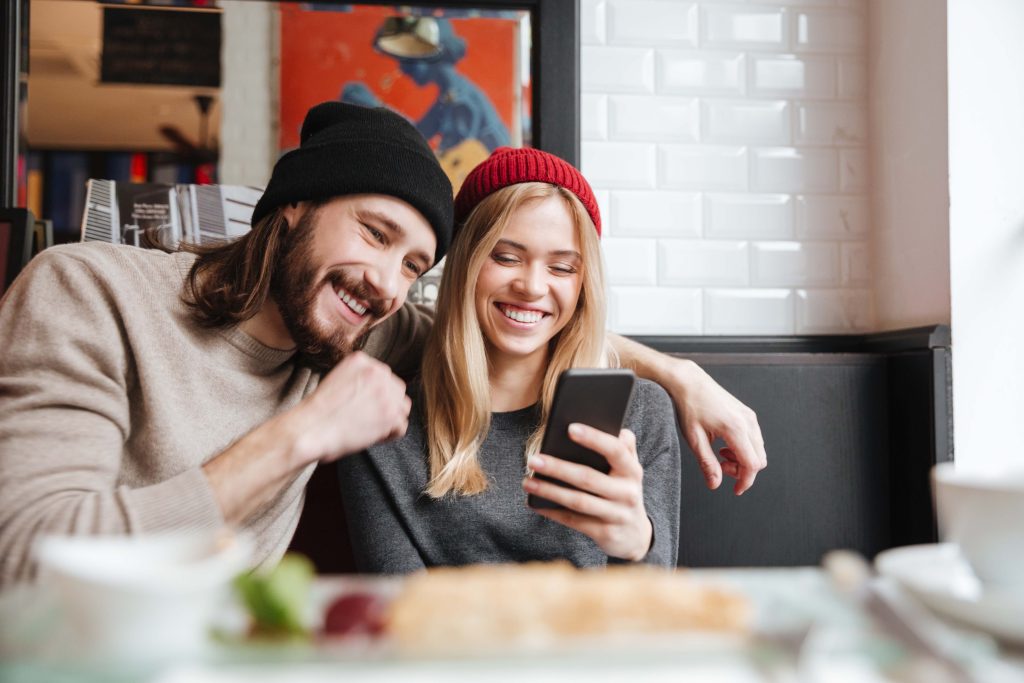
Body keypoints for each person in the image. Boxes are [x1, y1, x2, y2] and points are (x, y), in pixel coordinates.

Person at [0, 101, 764, 587]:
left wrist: (680, 374)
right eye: (375, 232)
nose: (388, 284)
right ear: (294, 206)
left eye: (413, 265)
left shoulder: (355, 326)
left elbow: (515, 324)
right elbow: (26, 563)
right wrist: (296, 435)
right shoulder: (86, 290)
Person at [337, 148, 681, 571]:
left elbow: (651, 618)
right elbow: (403, 619)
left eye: (562, 268)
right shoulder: (381, 425)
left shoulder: (641, 414)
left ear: (583, 287)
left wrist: (637, 545)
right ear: (465, 262)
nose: (533, 286)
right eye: (506, 257)